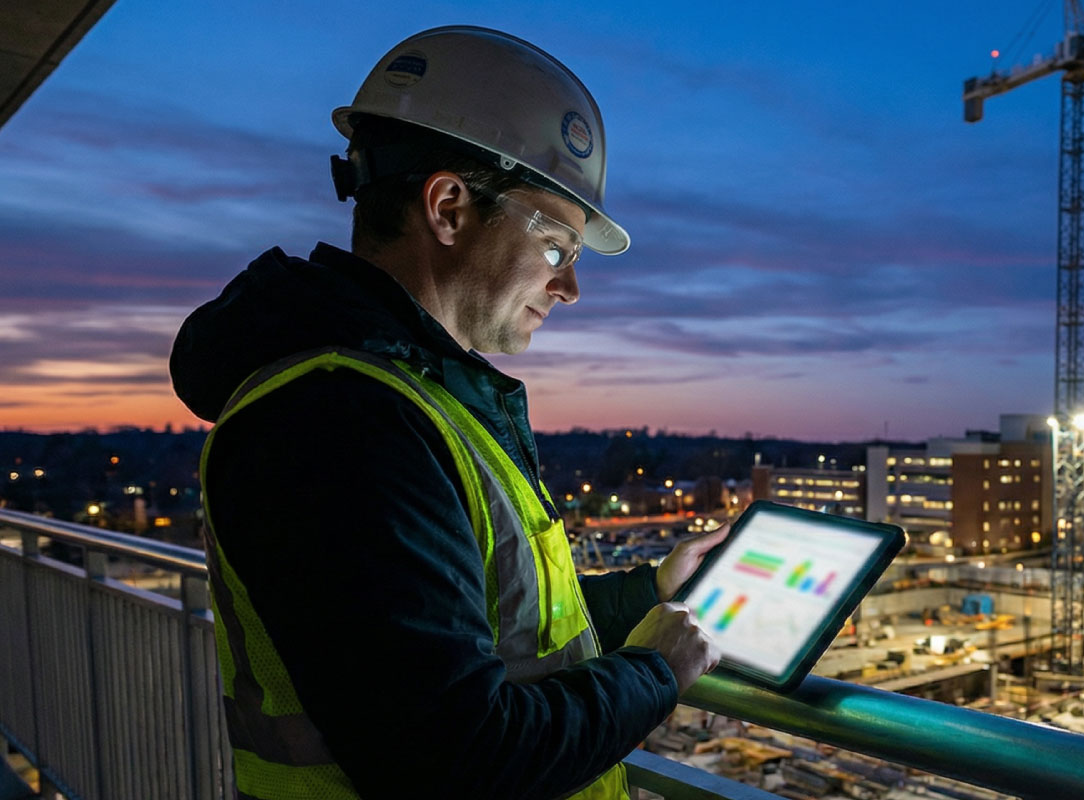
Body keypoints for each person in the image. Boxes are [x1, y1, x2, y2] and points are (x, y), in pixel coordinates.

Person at [169, 26, 722, 799]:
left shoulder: (411, 402)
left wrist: (647, 592)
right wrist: (654, 671)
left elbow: (479, 632)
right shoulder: (336, 424)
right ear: (450, 207)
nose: (569, 289)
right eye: (559, 245)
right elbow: (455, 757)